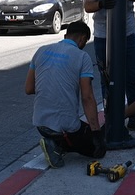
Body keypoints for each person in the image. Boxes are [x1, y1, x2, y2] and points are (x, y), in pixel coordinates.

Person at [24, 20, 105, 168]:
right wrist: (96, 133)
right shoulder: (82, 57)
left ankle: (55, 142)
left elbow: (29, 88)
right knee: (97, 151)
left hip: (40, 124)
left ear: (66, 35)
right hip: (65, 127)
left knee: (77, 133)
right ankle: (56, 145)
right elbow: (87, 98)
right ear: (82, 39)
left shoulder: (41, 50)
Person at [84, 0, 135, 131]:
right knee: (106, 79)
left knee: (131, 79)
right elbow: (87, 5)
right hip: (103, 37)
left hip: (127, 36)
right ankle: (110, 118)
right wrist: (101, 4)